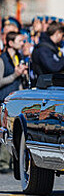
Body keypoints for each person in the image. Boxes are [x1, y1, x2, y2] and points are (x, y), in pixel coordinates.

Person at [0, 32, 28, 173]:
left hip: (16, 100)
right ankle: (4, 163)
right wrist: (14, 75)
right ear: (10, 43)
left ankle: (12, 162)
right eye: (19, 40)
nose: (22, 43)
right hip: (4, 100)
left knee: (14, 131)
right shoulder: (2, 60)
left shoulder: (18, 58)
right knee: (4, 131)